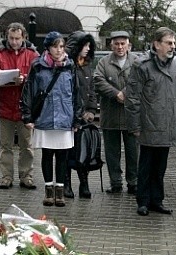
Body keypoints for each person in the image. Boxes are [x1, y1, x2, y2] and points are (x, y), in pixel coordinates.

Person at [125, 27, 176, 216]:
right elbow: (133, 97)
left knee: (161, 166)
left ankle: (157, 200)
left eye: (174, 43)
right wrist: (134, 125)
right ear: (156, 44)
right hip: (149, 123)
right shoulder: (142, 65)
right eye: (168, 43)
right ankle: (143, 201)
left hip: (169, 123)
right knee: (146, 164)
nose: (173, 47)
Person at [20, 31, 82, 207]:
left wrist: (77, 118)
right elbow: (28, 91)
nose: (59, 50)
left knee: (62, 155)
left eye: (61, 46)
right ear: (48, 47)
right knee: (47, 154)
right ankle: (48, 190)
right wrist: (27, 115)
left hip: (64, 117)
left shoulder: (70, 66)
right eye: (55, 46)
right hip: (45, 116)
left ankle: (60, 191)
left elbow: (76, 94)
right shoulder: (38, 66)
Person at [0, 23, 39, 190]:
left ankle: (26, 176)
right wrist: (0, 77)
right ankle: (6, 177)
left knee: (27, 145)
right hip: (5, 106)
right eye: (11, 38)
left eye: (17, 38)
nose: (14, 42)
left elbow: (38, 77)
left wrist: (24, 79)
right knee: (5, 145)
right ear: (6, 37)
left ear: (23, 37)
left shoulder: (32, 55)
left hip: (25, 108)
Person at [94, 30, 138, 195]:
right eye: (116, 44)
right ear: (111, 45)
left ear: (129, 45)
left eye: (123, 43)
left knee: (133, 152)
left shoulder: (137, 61)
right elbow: (98, 80)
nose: (120, 47)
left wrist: (125, 93)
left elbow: (139, 80)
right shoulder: (104, 62)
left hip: (131, 115)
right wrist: (115, 93)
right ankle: (115, 183)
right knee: (112, 153)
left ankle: (133, 182)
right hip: (110, 114)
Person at [63, 30, 97, 199]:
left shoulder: (87, 66)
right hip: (69, 116)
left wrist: (91, 110)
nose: (87, 49)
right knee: (68, 152)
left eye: (89, 46)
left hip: (84, 117)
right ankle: (66, 184)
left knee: (84, 149)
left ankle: (84, 183)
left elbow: (91, 90)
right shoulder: (68, 65)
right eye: (85, 45)